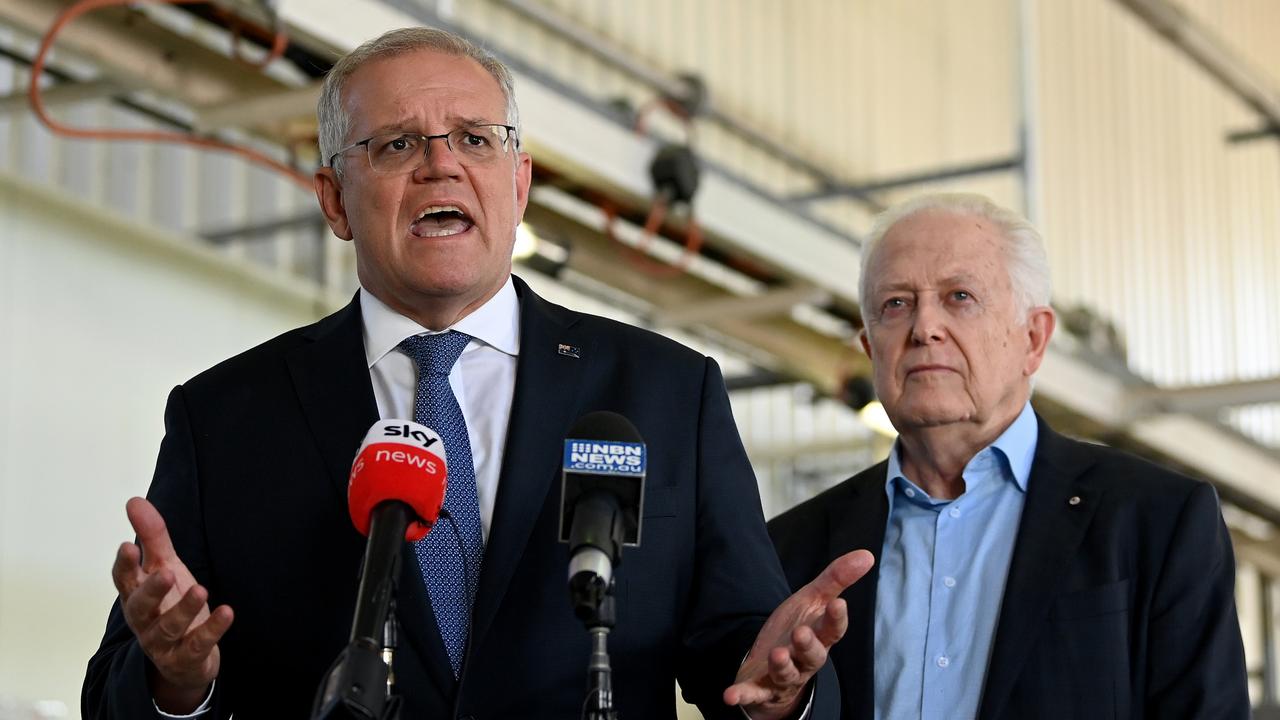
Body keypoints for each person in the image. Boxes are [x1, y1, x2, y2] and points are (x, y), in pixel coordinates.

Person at [82, 27, 872, 720]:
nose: (440, 166)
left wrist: (784, 692)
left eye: (475, 138)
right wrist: (174, 682)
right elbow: (121, 690)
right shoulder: (226, 417)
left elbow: (741, 652)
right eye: (395, 144)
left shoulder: (667, 393)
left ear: (519, 182)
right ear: (333, 199)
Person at [768, 193, 1250, 720]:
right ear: (869, 348)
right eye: (896, 304)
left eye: (960, 296)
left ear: (1034, 339)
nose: (925, 327)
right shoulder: (791, 549)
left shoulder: (1158, 521)